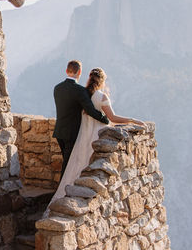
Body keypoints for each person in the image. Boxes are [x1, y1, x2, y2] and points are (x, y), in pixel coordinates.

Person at [50, 67, 144, 204]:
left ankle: (68, 194)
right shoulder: (101, 96)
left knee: (77, 165)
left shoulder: (85, 94)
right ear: (102, 81)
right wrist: (132, 120)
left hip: (83, 134)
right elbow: (112, 118)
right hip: (98, 134)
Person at [52, 60, 109, 184]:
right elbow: (91, 111)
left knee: (67, 163)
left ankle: (64, 189)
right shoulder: (80, 91)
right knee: (68, 166)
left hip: (59, 132)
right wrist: (105, 119)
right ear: (79, 72)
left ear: (67, 70)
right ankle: (61, 193)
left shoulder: (57, 88)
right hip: (72, 133)